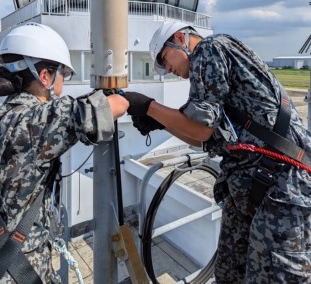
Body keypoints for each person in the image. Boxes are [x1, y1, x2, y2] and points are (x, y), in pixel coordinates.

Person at [124, 21, 311, 284]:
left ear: (179, 38)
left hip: (282, 188)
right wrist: (160, 120)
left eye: (165, 60)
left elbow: (200, 128)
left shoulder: (209, 49)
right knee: (228, 274)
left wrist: (147, 106)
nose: (168, 70)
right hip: (256, 188)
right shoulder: (210, 73)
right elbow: (205, 139)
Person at [0, 23, 129, 283]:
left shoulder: (4, 115)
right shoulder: (34, 121)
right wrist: (124, 98)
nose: (63, 82)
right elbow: (115, 105)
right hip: (21, 263)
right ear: (45, 76)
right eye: (62, 74)